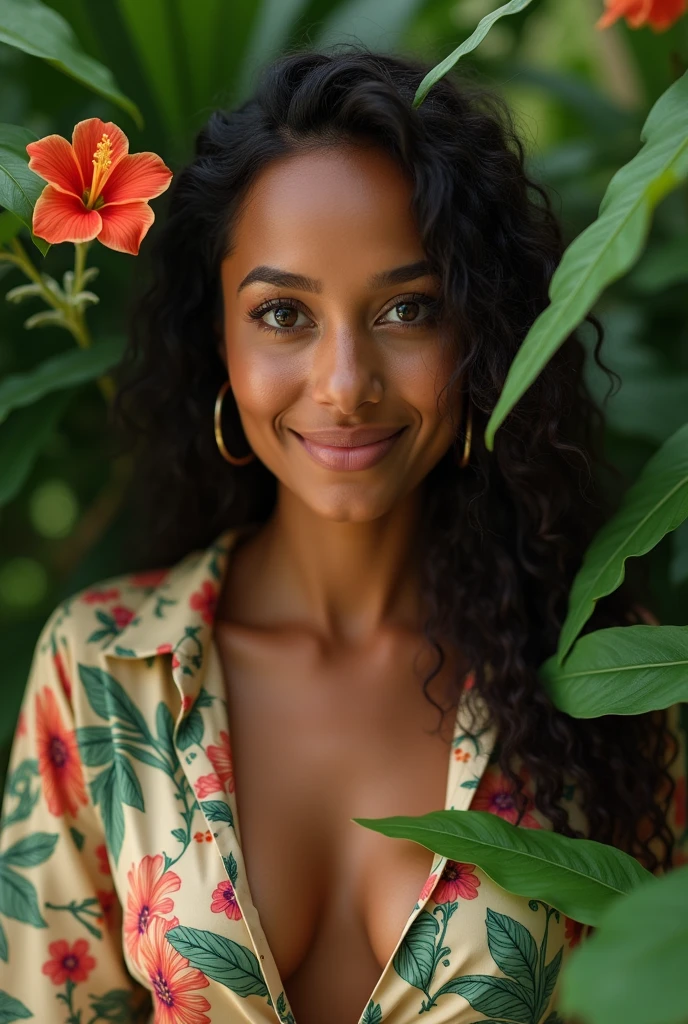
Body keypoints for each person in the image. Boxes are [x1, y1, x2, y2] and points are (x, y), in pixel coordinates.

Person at [0, 48, 685, 1024]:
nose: (342, 383)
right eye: (283, 314)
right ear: (217, 342)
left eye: (408, 309)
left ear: (482, 335)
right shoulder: (105, 670)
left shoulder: (603, 678)